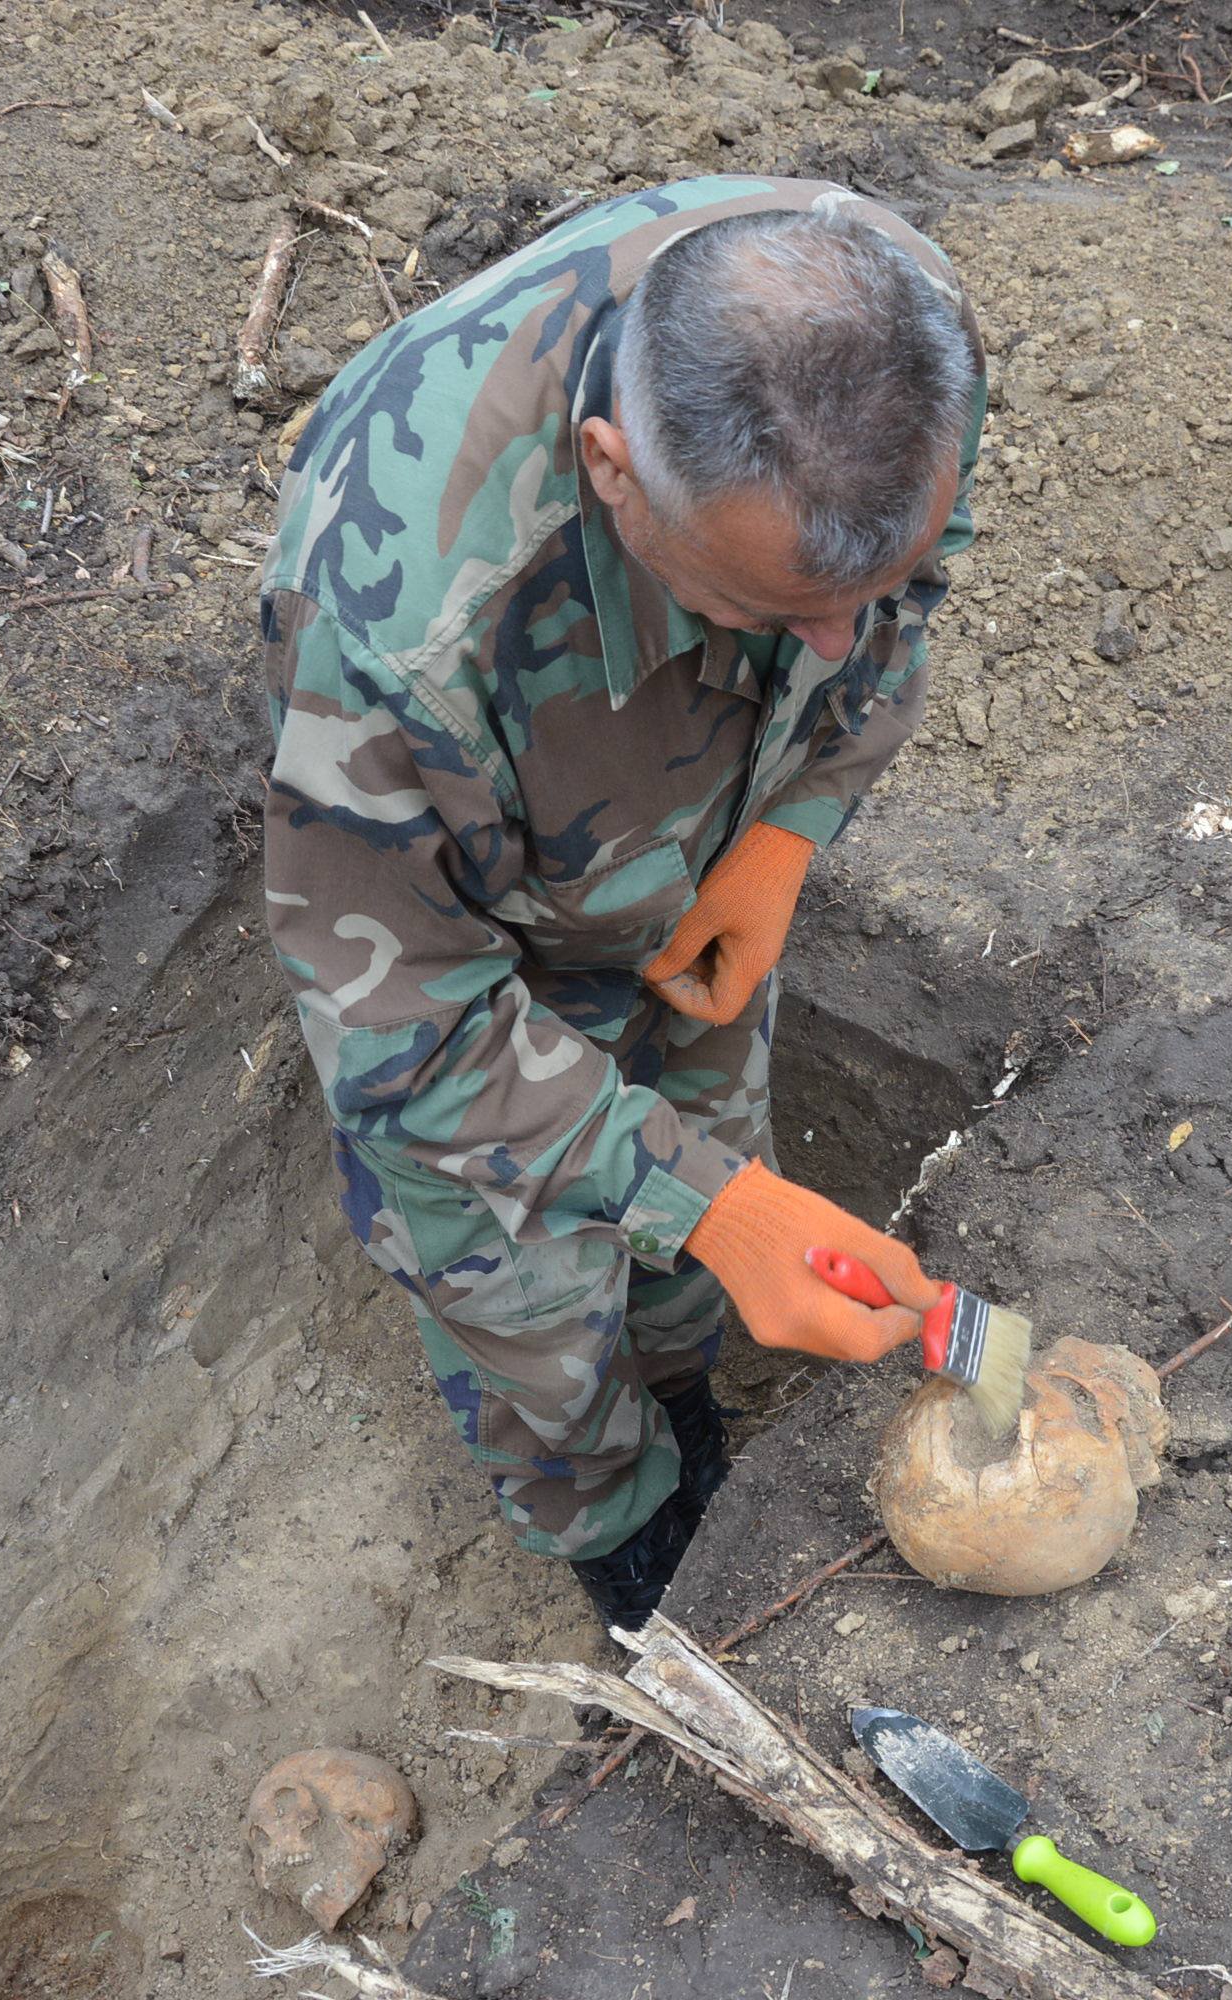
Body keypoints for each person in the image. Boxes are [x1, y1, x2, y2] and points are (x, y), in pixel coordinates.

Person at [257, 178, 984, 1629]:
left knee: (713, 1153)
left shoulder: (897, 345)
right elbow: (411, 1041)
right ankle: (624, 1524)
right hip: (452, 938)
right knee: (527, 1300)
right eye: (773, 612)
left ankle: (688, 1402)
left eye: (867, 590)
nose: (842, 643)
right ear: (614, 470)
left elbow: (890, 607)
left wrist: (787, 826)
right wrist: (711, 1208)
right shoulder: (399, 636)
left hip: (687, 831)